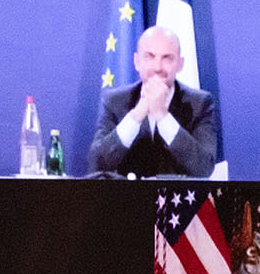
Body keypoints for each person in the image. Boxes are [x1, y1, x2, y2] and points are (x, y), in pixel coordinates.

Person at [88, 25, 219, 179]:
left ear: (180, 64)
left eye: (167, 58)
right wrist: (137, 114)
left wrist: (162, 115)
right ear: (137, 62)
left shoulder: (200, 103)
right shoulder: (115, 101)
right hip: (124, 200)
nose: (158, 67)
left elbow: (203, 168)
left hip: (177, 201)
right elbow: (97, 164)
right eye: (149, 56)